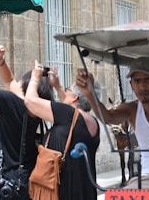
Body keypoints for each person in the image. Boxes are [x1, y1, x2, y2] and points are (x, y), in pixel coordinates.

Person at [76, 57, 149, 200]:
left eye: (147, 80)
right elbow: (108, 117)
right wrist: (90, 94)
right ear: (131, 84)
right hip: (144, 180)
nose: (142, 87)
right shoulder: (132, 109)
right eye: (137, 81)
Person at [0, 46, 54, 200]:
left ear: (26, 86)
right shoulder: (34, 108)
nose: (17, 82)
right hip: (20, 179)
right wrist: (1, 62)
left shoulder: (12, 103)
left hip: (1, 180)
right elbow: (10, 81)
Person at [24, 61, 101, 200]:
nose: (64, 93)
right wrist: (58, 86)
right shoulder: (93, 122)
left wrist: (35, 76)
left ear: (75, 97)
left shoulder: (68, 115)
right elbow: (66, 107)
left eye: (68, 91)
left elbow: (30, 101)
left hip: (64, 192)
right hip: (86, 192)